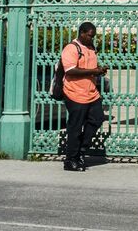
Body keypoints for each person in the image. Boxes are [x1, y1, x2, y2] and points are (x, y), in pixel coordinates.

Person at [59, 21, 106, 171]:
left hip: (91, 93)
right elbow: (70, 70)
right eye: (90, 36)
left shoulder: (91, 48)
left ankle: (81, 150)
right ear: (82, 33)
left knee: (97, 119)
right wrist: (93, 71)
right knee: (75, 128)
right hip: (74, 94)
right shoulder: (71, 48)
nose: (92, 39)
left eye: (93, 36)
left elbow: (90, 68)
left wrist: (99, 70)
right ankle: (70, 159)